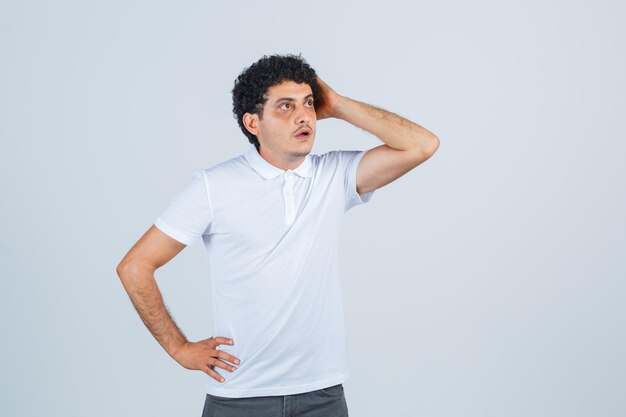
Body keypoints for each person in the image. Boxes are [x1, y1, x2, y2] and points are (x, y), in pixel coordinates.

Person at [116, 53, 439, 417]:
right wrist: (179, 348)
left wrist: (338, 104)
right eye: (286, 106)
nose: (304, 116)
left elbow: (422, 145)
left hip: (322, 394)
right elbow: (135, 266)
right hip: (239, 395)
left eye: (309, 104)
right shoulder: (213, 186)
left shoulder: (334, 175)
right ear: (253, 122)